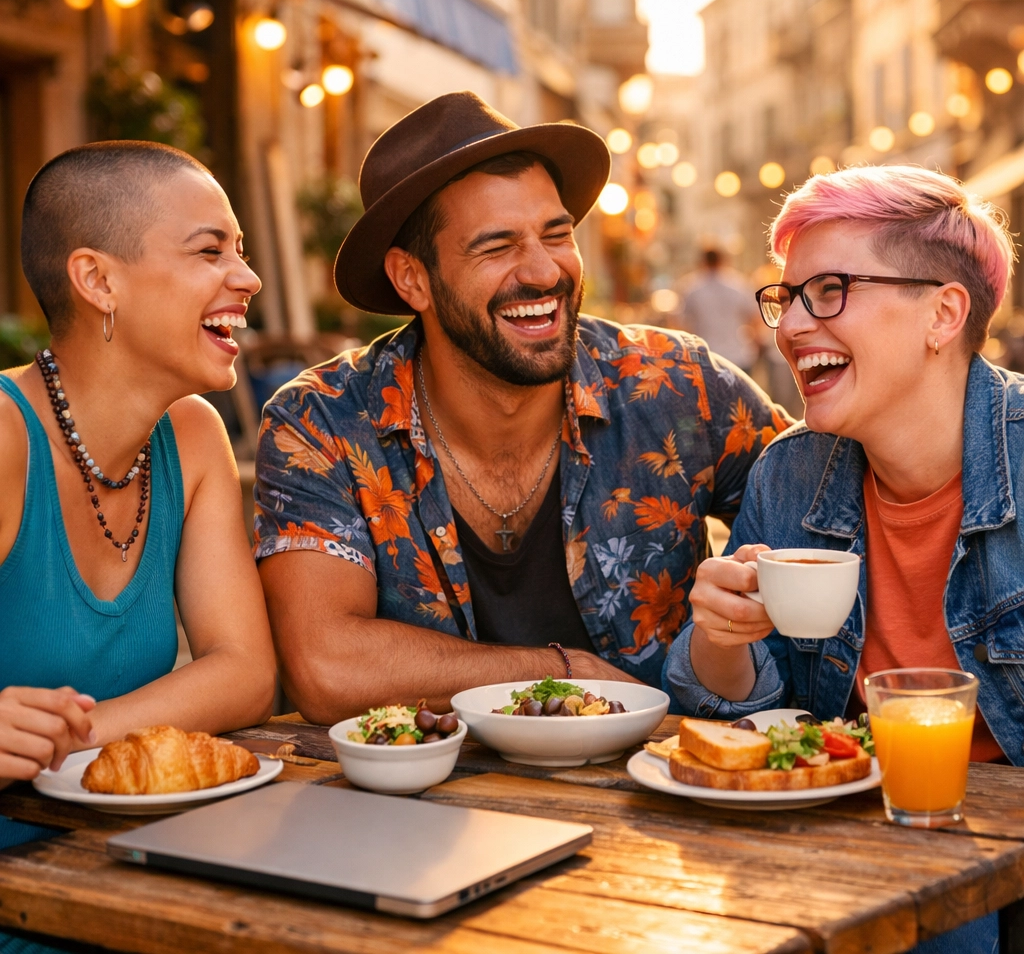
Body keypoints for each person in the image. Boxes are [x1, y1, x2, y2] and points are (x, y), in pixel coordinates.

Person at [254, 91, 790, 724]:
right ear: (412, 279)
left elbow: (831, 503)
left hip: (662, 797)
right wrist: (563, 673)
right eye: (497, 246)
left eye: (557, 235)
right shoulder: (324, 423)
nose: (543, 271)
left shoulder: (679, 385)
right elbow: (327, 667)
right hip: (421, 810)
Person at [666, 165, 1019, 954]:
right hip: (844, 851)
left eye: (829, 290)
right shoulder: (791, 474)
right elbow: (757, 726)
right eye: (786, 297)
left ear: (943, 313)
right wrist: (719, 640)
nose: (790, 327)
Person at [0, 142, 275, 953]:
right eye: (210, 251)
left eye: (242, 251)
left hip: (137, 897)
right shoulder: (6, 438)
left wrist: (70, 742)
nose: (247, 278)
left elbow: (245, 672)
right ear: (98, 281)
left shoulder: (192, 437)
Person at [678, 248, 761, 374]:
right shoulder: (738, 284)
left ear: (702, 261)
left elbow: (681, 323)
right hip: (738, 355)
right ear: (723, 260)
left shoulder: (691, 288)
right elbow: (755, 317)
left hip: (706, 356)